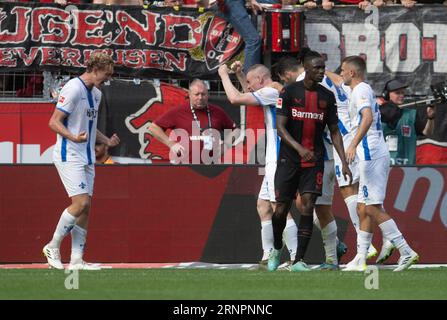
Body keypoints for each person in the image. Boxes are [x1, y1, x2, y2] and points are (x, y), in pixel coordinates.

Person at [267, 54, 352, 272]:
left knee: (308, 206)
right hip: (289, 160)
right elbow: (280, 127)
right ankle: (277, 248)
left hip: (314, 161)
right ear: (306, 68)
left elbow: (334, 131)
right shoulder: (289, 92)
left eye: (323, 67)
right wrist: (299, 149)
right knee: (280, 211)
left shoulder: (327, 96)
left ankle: (299, 261)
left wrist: (344, 161)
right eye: (317, 68)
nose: (322, 71)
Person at [339, 56, 419, 272]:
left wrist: (353, 144)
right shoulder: (360, 90)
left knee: (372, 207)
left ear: (352, 73)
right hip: (370, 152)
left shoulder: (360, 90)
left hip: (370, 151)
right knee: (363, 207)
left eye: (344, 70)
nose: (342, 74)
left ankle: (405, 250)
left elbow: (366, 117)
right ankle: (361, 258)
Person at [218, 62, 299, 268]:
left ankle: (296, 257)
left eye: (250, 81)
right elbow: (248, 95)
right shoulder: (271, 91)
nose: (249, 85)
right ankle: (268, 254)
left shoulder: (272, 91)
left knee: (278, 207)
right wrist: (239, 73)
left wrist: (223, 74)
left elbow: (236, 98)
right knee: (263, 206)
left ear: (261, 80)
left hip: (279, 158)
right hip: (275, 157)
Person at [43, 53, 120, 270]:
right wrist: (73, 137)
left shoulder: (96, 94)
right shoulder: (73, 88)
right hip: (69, 154)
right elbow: (54, 122)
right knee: (81, 203)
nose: (108, 79)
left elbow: (90, 126)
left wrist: (107, 140)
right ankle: (52, 246)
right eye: (106, 75)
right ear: (95, 69)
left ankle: (77, 260)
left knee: (86, 209)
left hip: (86, 156)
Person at [148, 79, 237, 164]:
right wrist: (171, 144)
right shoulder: (179, 111)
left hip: (211, 165)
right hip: (185, 165)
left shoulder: (217, 112)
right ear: (189, 94)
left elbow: (236, 131)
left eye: (203, 94)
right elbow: (153, 128)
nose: (200, 97)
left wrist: (225, 146)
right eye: (196, 94)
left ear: (208, 94)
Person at [379, 79, 436, 165]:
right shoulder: (378, 113)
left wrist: (431, 118)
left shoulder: (411, 114)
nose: (401, 95)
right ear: (387, 95)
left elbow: (427, 132)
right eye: (397, 93)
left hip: (407, 168)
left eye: (402, 93)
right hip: (383, 167)